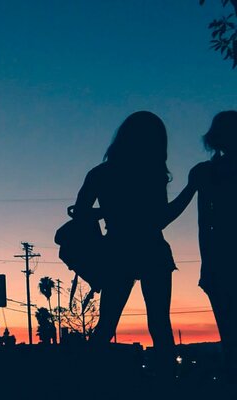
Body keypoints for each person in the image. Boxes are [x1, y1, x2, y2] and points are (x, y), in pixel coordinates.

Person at [73, 111, 193, 378]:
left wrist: (107, 213)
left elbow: (79, 213)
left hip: (117, 250)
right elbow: (161, 219)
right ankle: (167, 382)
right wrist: (190, 189)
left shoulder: (100, 174)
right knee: (160, 323)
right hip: (151, 249)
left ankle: (87, 381)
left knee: (106, 324)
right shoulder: (152, 173)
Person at [189, 111, 237, 379]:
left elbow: (204, 223)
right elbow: (204, 223)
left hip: (218, 262)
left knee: (230, 337)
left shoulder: (206, 171)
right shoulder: (207, 172)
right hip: (219, 264)